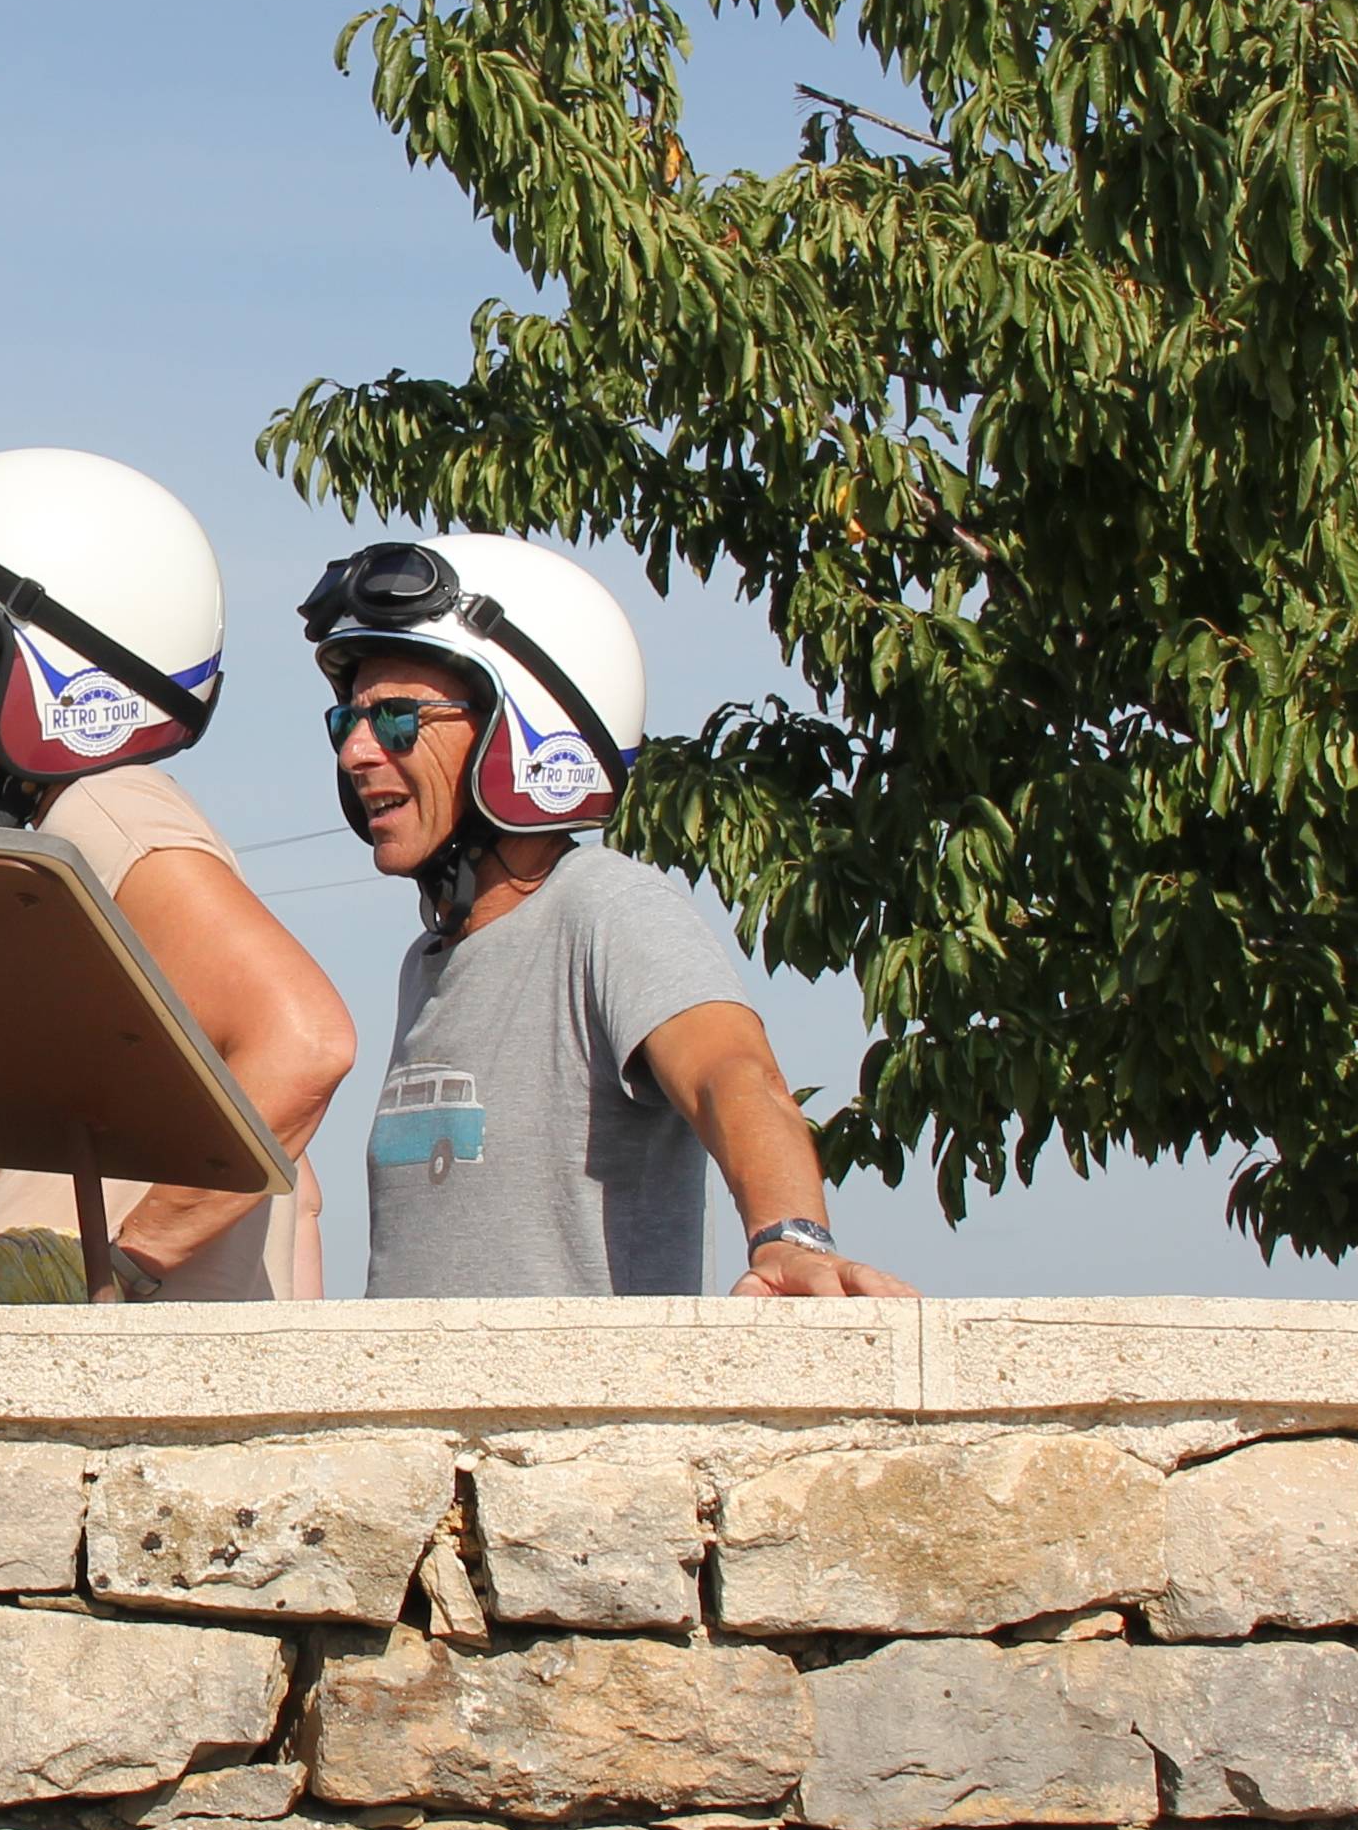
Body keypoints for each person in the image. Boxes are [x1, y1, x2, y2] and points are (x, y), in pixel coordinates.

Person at [304, 534, 915, 1302]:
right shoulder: (428, 959)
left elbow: (734, 1071)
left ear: (521, 726)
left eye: (396, 720)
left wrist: (790, 1237)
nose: (356, 751)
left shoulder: (604, 907)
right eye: (345, 723)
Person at [0, 450, 356, 1298]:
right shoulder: (69, 836)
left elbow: (304, 1045)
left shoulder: (108, 812)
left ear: (70, 670)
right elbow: (300, 1200)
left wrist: (121, 1266)